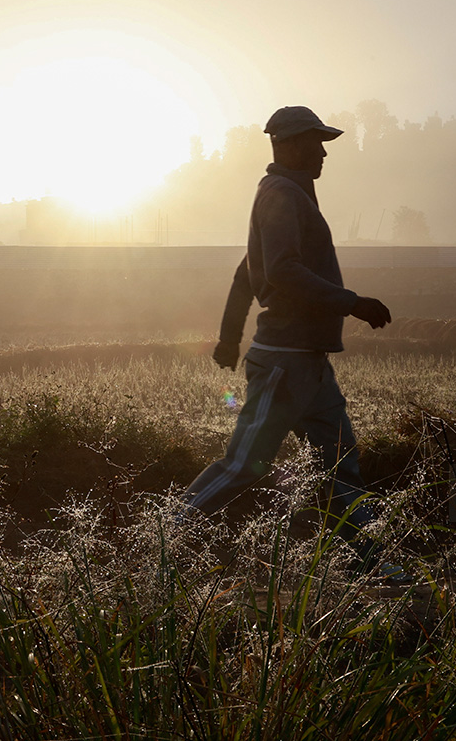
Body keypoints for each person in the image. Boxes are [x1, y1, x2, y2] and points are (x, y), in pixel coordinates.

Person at [183, 105, 394, 568]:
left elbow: (246, 272)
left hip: (308, 362)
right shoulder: (281, 195)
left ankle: (374, 559)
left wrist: (228, 338)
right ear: (291, 146)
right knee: (244, 464)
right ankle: (164, 537)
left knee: (339, 467)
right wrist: (351, 302)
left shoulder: (289, 195)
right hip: (284, 361)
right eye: (316, 143)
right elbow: (279, 270)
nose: (324, 153)